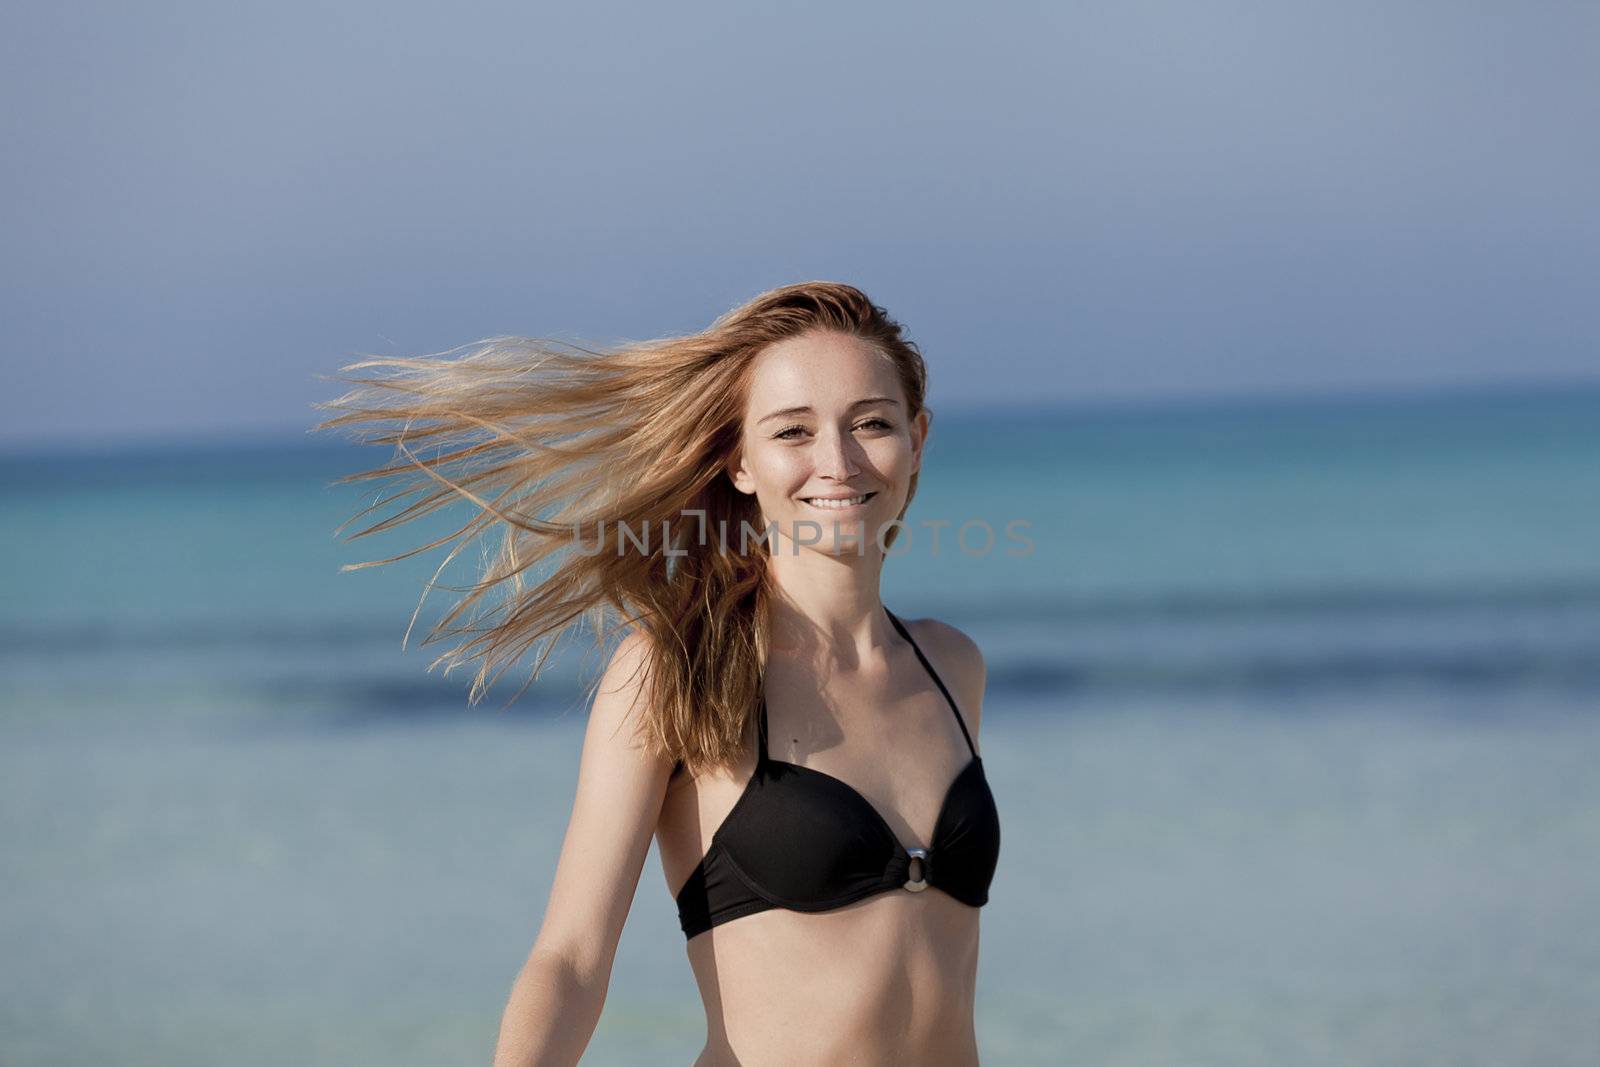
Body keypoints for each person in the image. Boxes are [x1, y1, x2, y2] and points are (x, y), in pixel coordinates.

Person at [314, 281, 1001, 1065]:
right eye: (793, 431)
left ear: (917, 437)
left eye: (871, 423)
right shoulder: (679, 665)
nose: (837, 462)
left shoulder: (951, 666)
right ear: (740, 463)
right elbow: (570, 958)